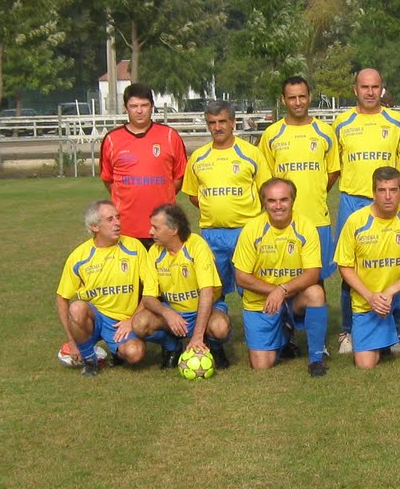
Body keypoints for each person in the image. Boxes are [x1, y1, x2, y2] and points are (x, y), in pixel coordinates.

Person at [332, 68, 400, 354]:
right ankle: (347, 331)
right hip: (354, 202)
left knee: (392, 266)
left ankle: (393, 331)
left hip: (388, 202)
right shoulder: (341, 123)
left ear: (382, 89)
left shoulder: (396, 122)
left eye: (375, 87)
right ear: (355, 89)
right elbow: (333, 167)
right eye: (364, 86)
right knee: (348, 270)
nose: (369, 92)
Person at [334, 166, 400, 372]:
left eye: (393, 190)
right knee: (365, 365)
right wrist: (370, 296)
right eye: (382, 190)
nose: (388, 196)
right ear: (373, 193)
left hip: (399, 296)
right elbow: (344, 267)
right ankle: (383, 339)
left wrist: (391, 291)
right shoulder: (356, 221)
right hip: (369, 301)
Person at [233, 177, 329, 376]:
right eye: (271, 201)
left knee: (316, 293)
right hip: (261, 302)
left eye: (283, 200)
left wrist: (282, 290)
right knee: (261, 365)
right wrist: (275, 291)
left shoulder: (306, 227)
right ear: (264, 203)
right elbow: (241, 277)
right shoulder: (252, 230)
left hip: (293, 297)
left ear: (293, 200)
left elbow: (313, 274)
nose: (278, 206)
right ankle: (284, 333)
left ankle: (316, 359)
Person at [54, 199, 162, 374]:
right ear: (95, 227)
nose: (118, 223)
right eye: (110, 219)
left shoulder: (134, 247)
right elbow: (62, 299)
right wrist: (72, 341)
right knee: (77, 308)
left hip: (121, 322)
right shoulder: (79, 257)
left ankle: (117, 351)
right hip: (94, 318)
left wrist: (132, 320)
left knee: (135, 354)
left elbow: (150, 288)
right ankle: (90, 361)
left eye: (118, 217)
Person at [182, 100, 268, 299]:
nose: (217, 127)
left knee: (251, 289)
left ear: (233, 123)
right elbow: (193, 195)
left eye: (222, 121)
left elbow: (265, 192)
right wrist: (216, 210)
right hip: (212, 234)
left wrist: (244, 213)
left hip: (245, 232)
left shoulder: (251, 153)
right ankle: (216, 328)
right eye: (212, 122)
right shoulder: (198, 157)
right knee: (212, 289)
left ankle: (262, 328)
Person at [258, 75, 340, 276]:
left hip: (316, 218)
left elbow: (332, 172)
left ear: (310, 97)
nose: (297, 102)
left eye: (302, 97)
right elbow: (265, 180)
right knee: (283, 275)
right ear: (283, 100)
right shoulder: (271, 134)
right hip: (281, 220)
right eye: (292, 98)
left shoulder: (325, 132)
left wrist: (317, 190)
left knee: (316, 278)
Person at [143, 204, 231, 370]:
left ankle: (214, 347)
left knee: (220, 328)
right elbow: (148, 298)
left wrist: (197, 336)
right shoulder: (154, 251)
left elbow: (207, 293)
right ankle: (172, 347)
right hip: (174, 310)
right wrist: (167, 313)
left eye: (155, 227)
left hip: (205, 308)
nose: (150, 232)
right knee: (141, 324)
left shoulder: (197, 246)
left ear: (174, 229)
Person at [99, 83, 188, 244]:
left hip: (163, 228)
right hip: (127, 229)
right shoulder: (112, 139)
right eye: (134, 106)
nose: (139, 111)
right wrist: (127, 195)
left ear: (152, 106)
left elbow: (179, 177)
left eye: (144, 105)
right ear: (126, 108)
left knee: (163, 269)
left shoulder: (170, 136)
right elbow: (108, 179)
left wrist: (161, 192)